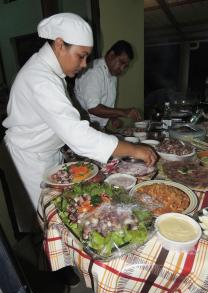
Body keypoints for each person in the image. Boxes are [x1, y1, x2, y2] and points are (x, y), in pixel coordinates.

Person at [2, 13, 157, 211]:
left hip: (46, 155)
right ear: (59, 44)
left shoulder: (49, 72)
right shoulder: (40, 79)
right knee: (47, 220)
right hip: (30, 162)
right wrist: (134, 149)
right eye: (81, 56)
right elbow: (78, 135)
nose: (84, 64)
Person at [74, 40, 141, 130]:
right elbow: (93, 108)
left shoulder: (112, 74)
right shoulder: (94, 72)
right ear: (111, 55)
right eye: (121, 62)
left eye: (125, 66)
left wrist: (113, 118)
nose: (122, 69)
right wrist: (125, 112)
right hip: (83, 127)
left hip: (96, 128)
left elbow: (104, 103)